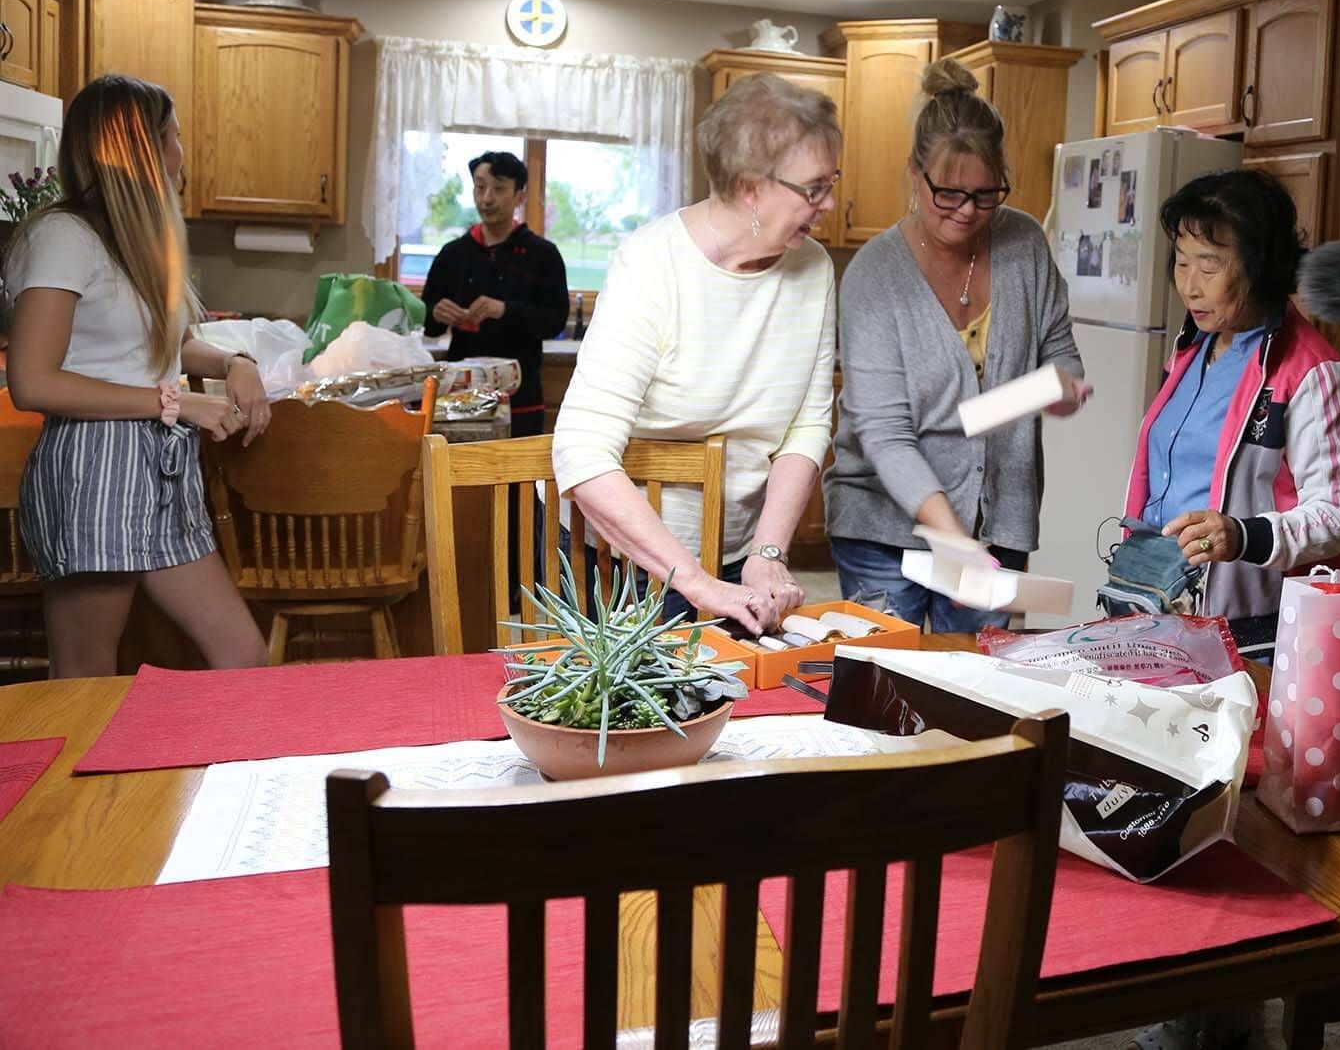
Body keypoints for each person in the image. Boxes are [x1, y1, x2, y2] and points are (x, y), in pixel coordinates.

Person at [3, 74, 271, 678]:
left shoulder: (136, 244)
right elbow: (33, 382)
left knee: (242, 655)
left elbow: (170, 348)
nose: (183, 154)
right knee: (85, 678)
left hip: (158, 461)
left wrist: (235, 364)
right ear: (142, 149)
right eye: (174, 137)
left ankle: (212, 777)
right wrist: (176, 403)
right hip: (94, 462)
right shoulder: (61, 237)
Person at [551, 74, 838, 635]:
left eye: (832, 182)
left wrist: (769, 553)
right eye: (813, 188)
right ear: (751, 186)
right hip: (624, 562)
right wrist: (699, 584)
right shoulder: (651, 264)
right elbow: (583, 453)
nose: (828, 204)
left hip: (741, 553)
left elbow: (806, 424)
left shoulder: (813, 268)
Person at [824, 58, 1089, 632]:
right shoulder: (874, 274)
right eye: (948, 193)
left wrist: (1061, 383)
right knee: (882, 686)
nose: (967, 212)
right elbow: (886, 434)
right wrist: (948, 532)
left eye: (985, 194)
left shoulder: (1024, 245)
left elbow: (1059, 348)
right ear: (915, 173)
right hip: (883, 527)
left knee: (974, 695)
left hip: (999, 521)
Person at [1122, 169, 1340, 649]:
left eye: (1208, 266)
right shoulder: (1192, 349)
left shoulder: (1310, 371)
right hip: (1152, 604)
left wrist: (1244, 535)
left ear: (1258, 265)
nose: (1189, 286)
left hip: (1248, 629)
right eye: (1181, 262)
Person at [420, 150, 569, 438]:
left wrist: (505, 310)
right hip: (459, 399)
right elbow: (427, 323)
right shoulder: (452, 254)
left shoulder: (543, 254)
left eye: (499, 189)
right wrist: (436, 312)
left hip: (520, 400)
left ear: (519, 196)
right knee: (459, 480)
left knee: (518, 480)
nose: (487, 198)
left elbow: (555, 320)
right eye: (479, 187)